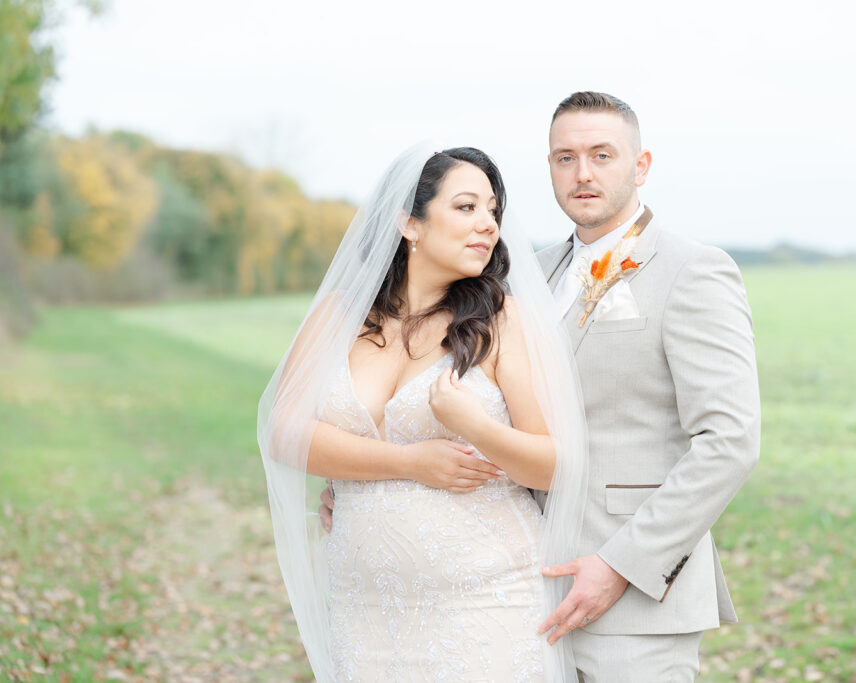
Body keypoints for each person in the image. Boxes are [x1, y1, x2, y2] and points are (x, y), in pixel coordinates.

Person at [258, 145, 589, 682]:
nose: (487, 224)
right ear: (409, 222)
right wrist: (408, 462)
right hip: (363, 608)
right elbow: (285, 431)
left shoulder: (502, 320)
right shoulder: (337, 315)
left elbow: (553, 464)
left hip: (486, 601)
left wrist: (476, 428)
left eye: (492, 210)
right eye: (466, 207)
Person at [531, 92, 761, 681]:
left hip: (636, 606)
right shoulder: (530, 274)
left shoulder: (694, 270)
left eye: (602, 155)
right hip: (528, 588)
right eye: (565, 157)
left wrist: (620, 565)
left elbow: (729, 441)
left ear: (641, 166)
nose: (582, 173)